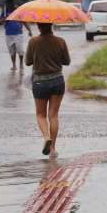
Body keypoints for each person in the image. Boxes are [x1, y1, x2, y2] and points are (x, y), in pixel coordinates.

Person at [25, 22, 70, 157]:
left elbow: (27, 62)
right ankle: (53, 149)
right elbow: (66, 61)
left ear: (38, 26)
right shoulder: (60, 41)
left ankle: (46, 138)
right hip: (57, 81)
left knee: (41, 115)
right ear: (51, 25)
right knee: (53, 115)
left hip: (40, 82)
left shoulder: (33, 41)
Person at [0, 1, 32, 71]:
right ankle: (14, 65)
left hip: (18, 34)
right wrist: (5, 18)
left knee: (20, 50)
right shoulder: (4, 12)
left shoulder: (18, 12)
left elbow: (24, 22)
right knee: (12, 51)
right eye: (8, 4)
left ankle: (21, 63)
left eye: (11, 4)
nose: (10, 5)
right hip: (8, 34)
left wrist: (29, 30)